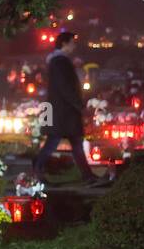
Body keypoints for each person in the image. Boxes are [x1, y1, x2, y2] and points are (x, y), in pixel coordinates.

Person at [33, 31, 108, 186]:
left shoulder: (58, 61)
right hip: (64, 111)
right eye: (72, 42)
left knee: (72, 143)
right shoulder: (60, 62)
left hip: (63, 111)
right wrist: (78, 104)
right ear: (64, 44)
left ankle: (87, 176)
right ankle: (37, 170)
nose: (74, 45)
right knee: (58, 142)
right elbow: (65, 87)